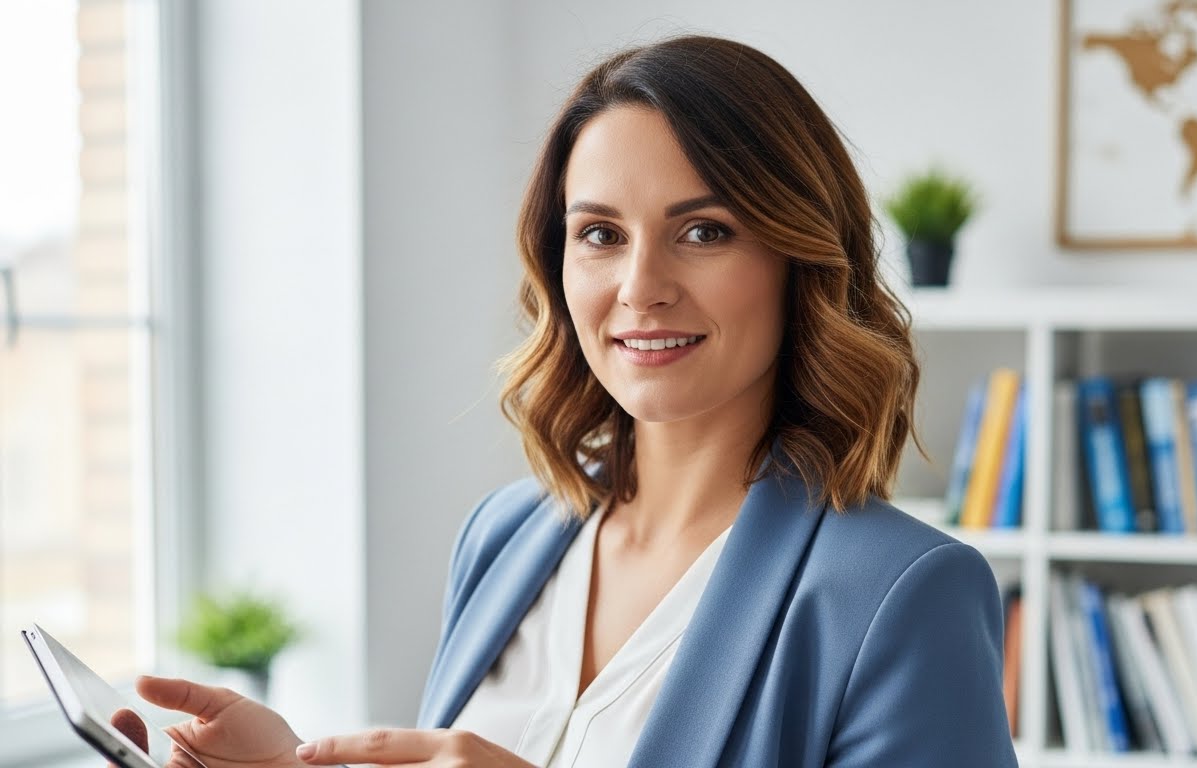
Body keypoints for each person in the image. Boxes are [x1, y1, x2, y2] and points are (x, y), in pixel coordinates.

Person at [129, 34, 1016, 767]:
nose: (640, 286)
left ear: (801, 260)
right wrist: (296, 765)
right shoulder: (504, 537)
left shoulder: (902, 594)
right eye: (599, 233)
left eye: (703, 231)